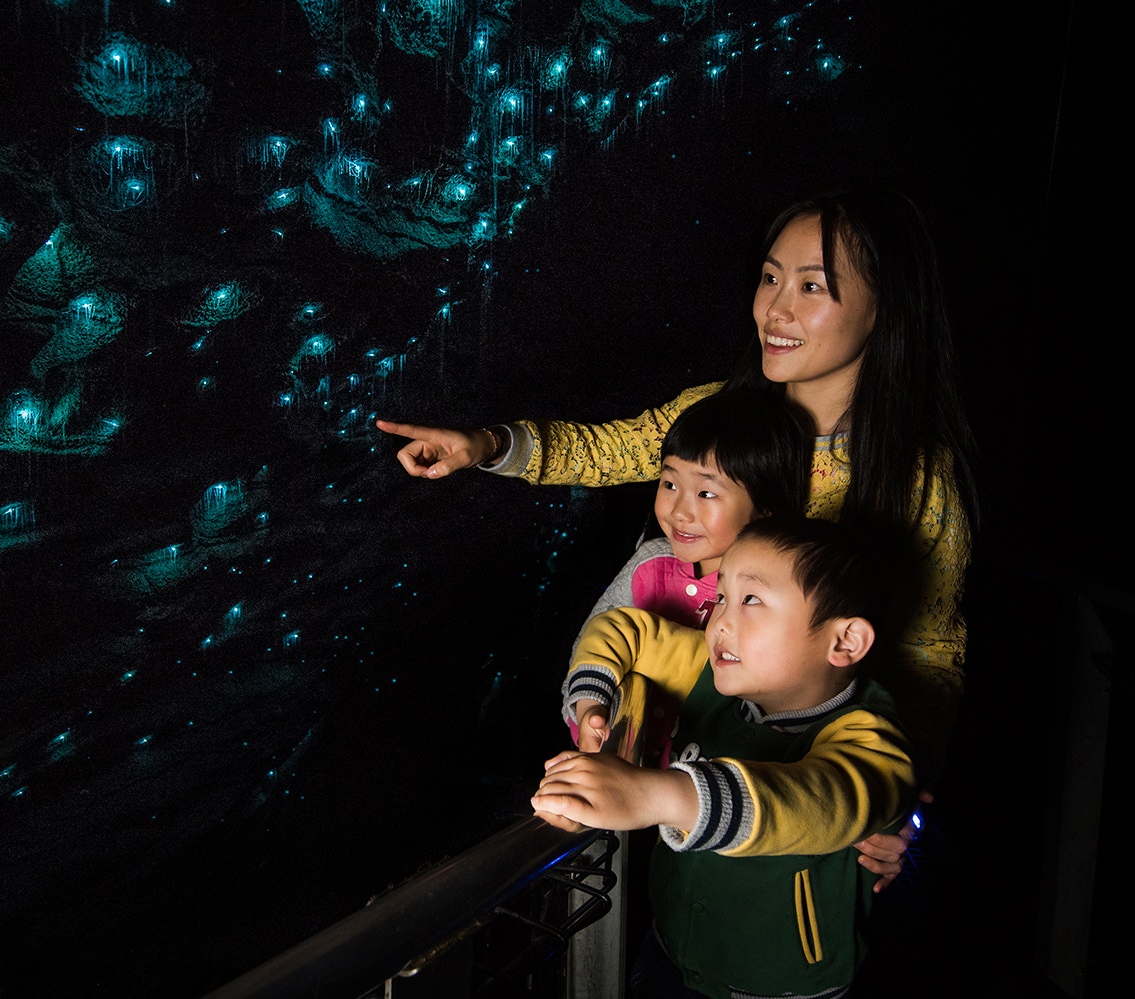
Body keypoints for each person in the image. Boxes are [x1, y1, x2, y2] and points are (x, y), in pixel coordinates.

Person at [377, 186, 975, 883]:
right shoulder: (718, 410)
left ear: (886, 307)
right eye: (770, 276)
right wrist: (484, 445)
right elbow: (609, 447)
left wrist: (904, 788)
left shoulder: (917, 479)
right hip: (674, 760)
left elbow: (932, 654)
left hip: (805, 777)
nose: (775, 308)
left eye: (812, 285)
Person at [532, 517, 915, 999]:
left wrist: (656, 795)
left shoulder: (871, 737)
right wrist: (593, 702)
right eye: (721, 598)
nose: (720, 622)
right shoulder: (714, 672)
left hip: (777, 985)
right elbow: (624, 627)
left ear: (844, 642)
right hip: (671, 946)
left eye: (751, 600)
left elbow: (816, 800)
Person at [563, 389, 809, 753]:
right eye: (670, 484)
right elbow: (589, 644)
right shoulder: (649, 563)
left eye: (706, 493)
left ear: (767, 507)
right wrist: (590, 715)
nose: (680, 511)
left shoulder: (781, 589)